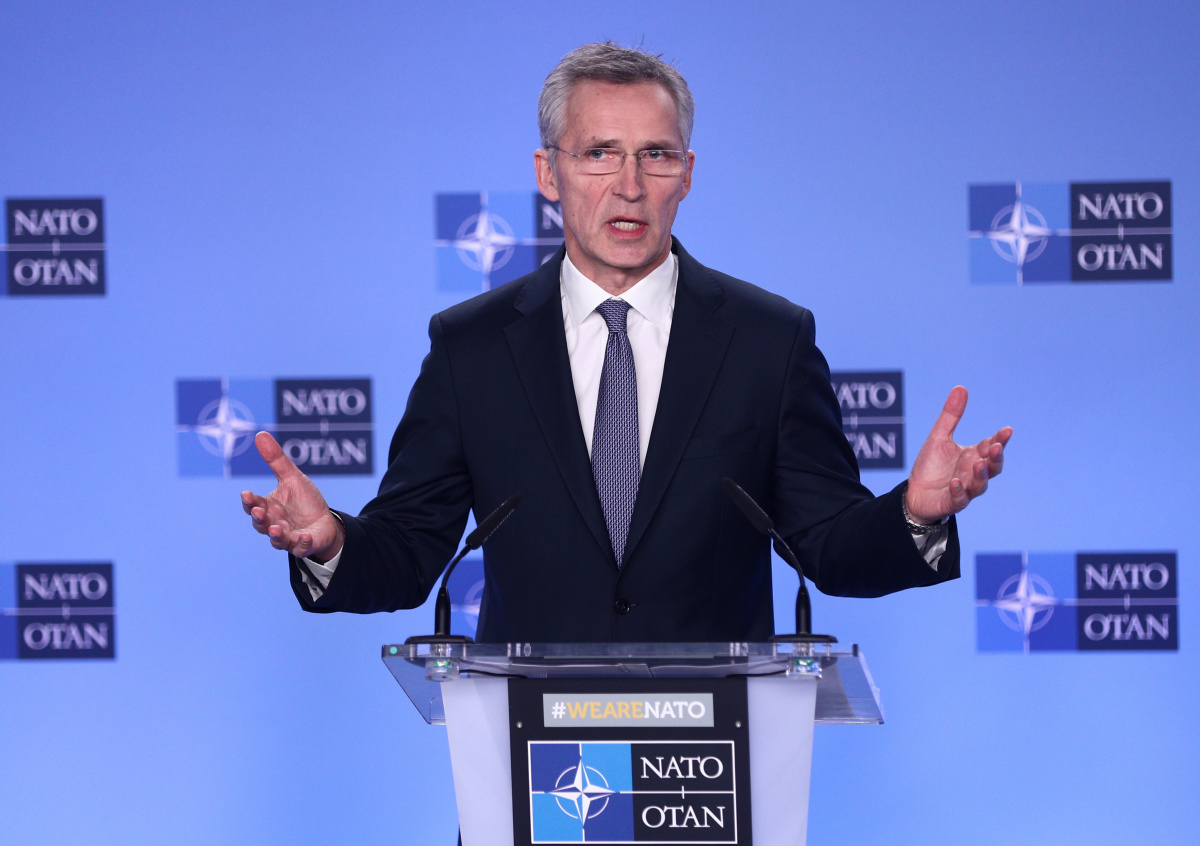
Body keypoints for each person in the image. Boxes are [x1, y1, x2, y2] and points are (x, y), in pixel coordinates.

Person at [240, 43, 1010, 643]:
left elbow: (829, 546)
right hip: (533, 752)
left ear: (687, 174)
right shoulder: (470, 348)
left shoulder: (769, 341)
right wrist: (329, 542)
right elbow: (408, 553)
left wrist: (914, 515)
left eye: (657, 155)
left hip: (711, 754)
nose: (630, 185)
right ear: (549, 173)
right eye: (599, 153)